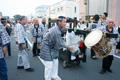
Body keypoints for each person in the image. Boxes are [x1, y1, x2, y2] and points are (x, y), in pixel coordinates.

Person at [40, 16, 74, 80]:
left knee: (55, 61)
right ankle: (47, 78)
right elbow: (60, 43)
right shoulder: (56, 30)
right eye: (64, 22)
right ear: (59, 22)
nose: (65, 23)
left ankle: (54, 76)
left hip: (53, 46)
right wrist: (69, 47)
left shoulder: (58, 28)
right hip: (46, 47)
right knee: (49, 64)